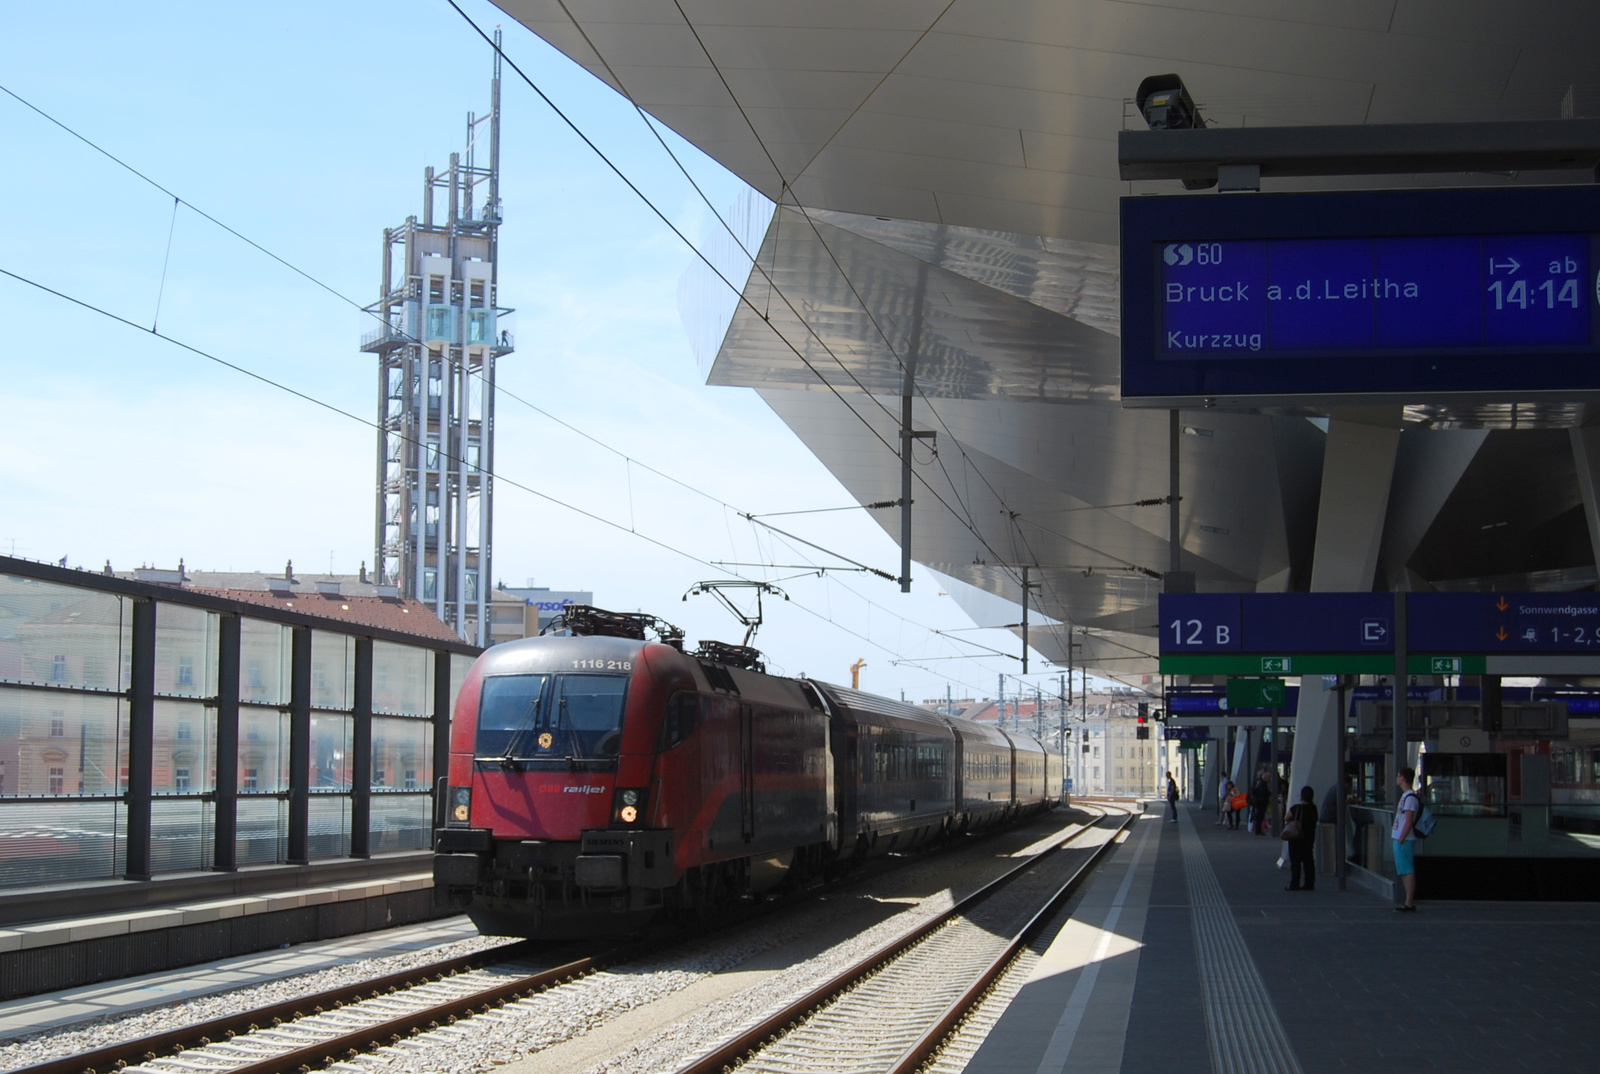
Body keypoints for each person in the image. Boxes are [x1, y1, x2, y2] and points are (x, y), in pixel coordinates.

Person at [1393, 767, 1421, 912]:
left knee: (1407, 870)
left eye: (1398, 776)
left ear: (1403, 778)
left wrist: (1401, 838)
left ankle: (1409, 901)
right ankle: (1407, 900)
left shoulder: (1410, 798)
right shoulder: (1405, 797)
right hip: (1400, 838)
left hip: (1404, 839)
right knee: (1403, 870)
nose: (1397, 778)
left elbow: (1409, 821)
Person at [1285, 785, 1319, 891]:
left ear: (1301, 795)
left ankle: (1294, 883)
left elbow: (1286, 817)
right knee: (1308, 859)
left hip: (1296, 837)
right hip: (1309, 836)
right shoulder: (1313, 808)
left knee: (1295, 862)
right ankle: (1309, 883)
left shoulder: (1296, 808)